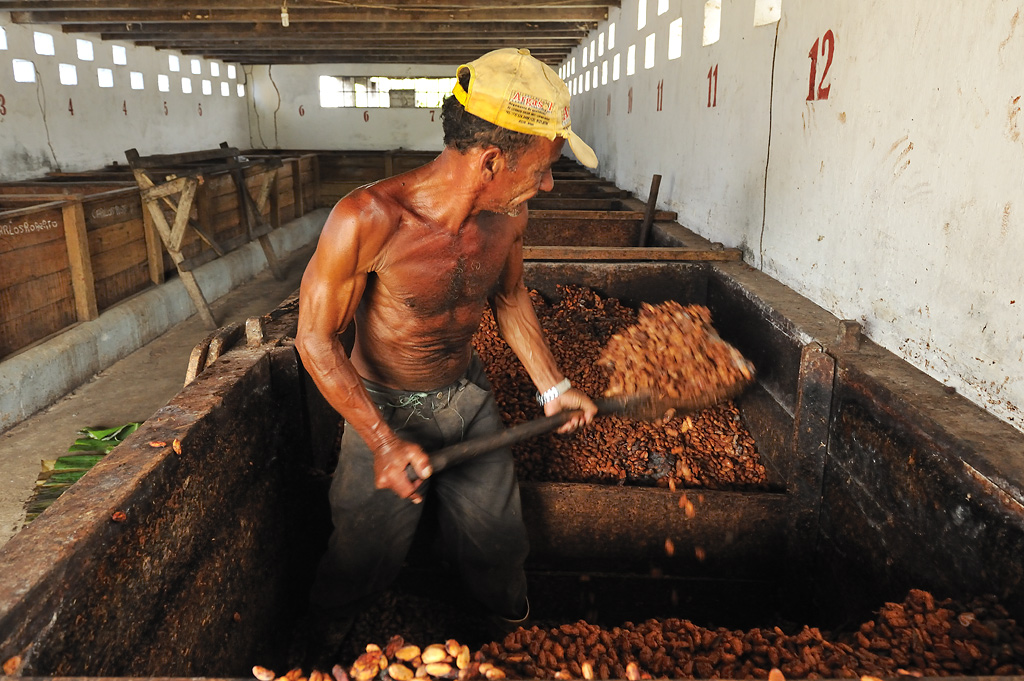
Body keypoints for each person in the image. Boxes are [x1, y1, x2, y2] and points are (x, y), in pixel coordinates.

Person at [294, 47, 599, 651]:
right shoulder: (368, 219)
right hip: (381, 406)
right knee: (361, 554)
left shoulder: (508, 219)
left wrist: (554, 387)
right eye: (541, 166)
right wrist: (382, 443)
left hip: (468, 401)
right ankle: (323, 649)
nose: (547, 182)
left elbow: (509, 300)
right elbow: (315, 338)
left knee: (499, 544)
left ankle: (506, 645)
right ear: (490, 161)